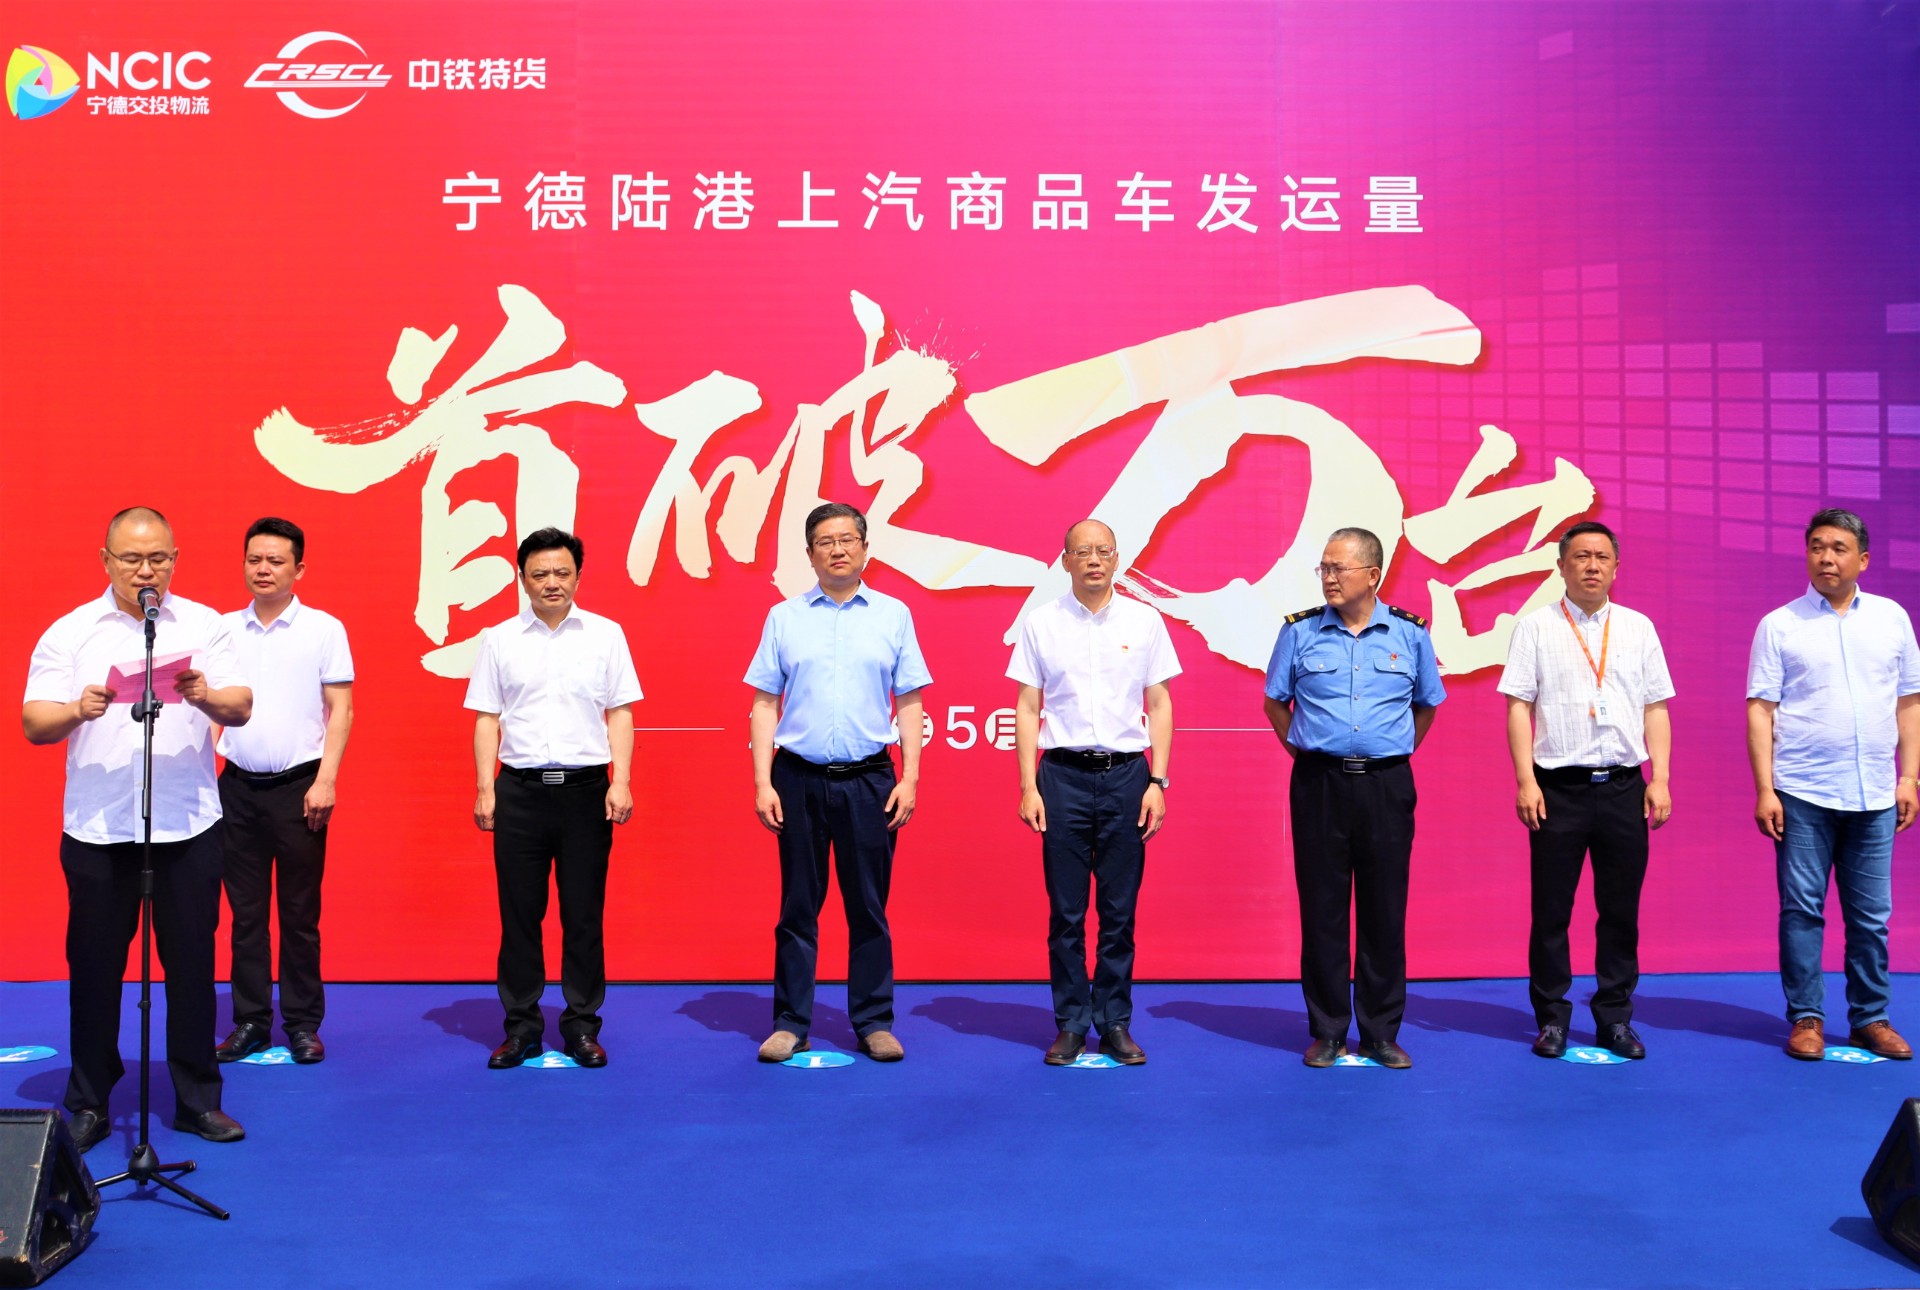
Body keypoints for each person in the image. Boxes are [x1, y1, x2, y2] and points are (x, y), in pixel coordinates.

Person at [22, 507, 252, 1151]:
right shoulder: (71, 631)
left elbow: (240, 705)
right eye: (131, 559)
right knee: (95, 968)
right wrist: (77, 709)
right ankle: (89, 1100)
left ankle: (197, 1100)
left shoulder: (205, 624)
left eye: (158, 559)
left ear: (175, 559)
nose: (146, 571)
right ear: (106, 560)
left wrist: (204, 695)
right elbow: (34, 722)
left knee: (191, 966)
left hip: (186, 822)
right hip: (99, 826)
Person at [745, 502, 930, 1063]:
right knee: (798, 907)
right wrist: (763, 781)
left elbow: (910, 701)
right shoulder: (784, 617)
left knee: (868, 907)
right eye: (825, 542)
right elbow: (764, 702)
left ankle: (873, 1021)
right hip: (797, 779)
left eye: (848, 539)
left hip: (871, 780)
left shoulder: (893, 615)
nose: (838, 550)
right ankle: (790, 1022)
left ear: (865, 548)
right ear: (810, 554)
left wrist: (910, 777)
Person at [1262, 527, 1444, 1069]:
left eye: (1338, 567)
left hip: (1387, 785)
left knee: (1384, 910)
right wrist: (1309, 751)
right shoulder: (1299, 632)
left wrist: (1390, 751)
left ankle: (1381, 1033)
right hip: (1319, 784)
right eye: (1323, 568)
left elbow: (1427, 705)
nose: (1328, 577)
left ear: (1373, 575)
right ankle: (1328, 1031)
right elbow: (1275, 703)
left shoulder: (1410, 634)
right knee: (1323, 909)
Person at [1748, 507, 1920, 1061]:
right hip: (1802, 791)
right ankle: (1806, 1018)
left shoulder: (1892, 619)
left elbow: (1909, 702)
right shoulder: (1780, 624)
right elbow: (1760, 710)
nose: (1826, 557)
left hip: (1875, 793)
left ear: (1863, 559)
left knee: (1871, 917)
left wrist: (1909, 776)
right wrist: (1766, 788)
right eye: (1817, 547)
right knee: (1802, 910)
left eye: (1839, 548)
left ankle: (1871, 1017)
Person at [1498, 521, 1673, 1060]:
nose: (1592, 566)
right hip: (1558, 789)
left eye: (1601, 557)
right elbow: (1518, 707)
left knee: (1620, 911)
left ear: (1616, 567)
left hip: (1623, 787)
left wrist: (1660, 778)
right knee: (1552, 911)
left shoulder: (1638, 627)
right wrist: (1526, 780)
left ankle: (1615, 1018)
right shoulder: (1535, 627)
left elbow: (1655, 708)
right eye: (1581, 556)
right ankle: (1552, 1018)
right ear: (1561, 566)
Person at [466, 528, 639, 1070]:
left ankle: (582, 1026)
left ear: (578, 576)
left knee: (583, 916)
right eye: (539, 574)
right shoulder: (499, 639)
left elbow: (620, 712)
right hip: (519, 792)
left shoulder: (606, 635)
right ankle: (521, 1028)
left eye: (562, 572)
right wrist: (485, 788)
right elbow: (486, 717)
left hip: (586, 792)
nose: (552, 583)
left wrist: (621, 780)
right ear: (522, 579)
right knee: (520, 916)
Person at [1008, 520, 1178, 1066]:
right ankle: (1071, 1023)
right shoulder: (1042, 622)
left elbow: (1159, 703)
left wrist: (1157, 781)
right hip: (1062, 779)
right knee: (1066, 912)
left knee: (1118, 911)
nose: (1094, 560)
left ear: (1117, 558)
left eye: (1104, 551)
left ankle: (1115, 1022)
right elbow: (1028, 707)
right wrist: (1028, 784)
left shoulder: (1145, 621)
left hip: (1128, 777)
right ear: (1065, 561)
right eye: (1083, 552)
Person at [213, 517, 354, 1067]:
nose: (263, 569)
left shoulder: (323, 629)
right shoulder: (223, 630)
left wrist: (326, 780)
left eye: (275, 561)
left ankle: (301, 1023)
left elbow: (341, 708)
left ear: (299, 568)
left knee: (299, 914)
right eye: (254, 559)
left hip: (300, 788)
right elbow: (209, 705)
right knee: (245, 915)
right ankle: (250, 1021)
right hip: (237, 789)